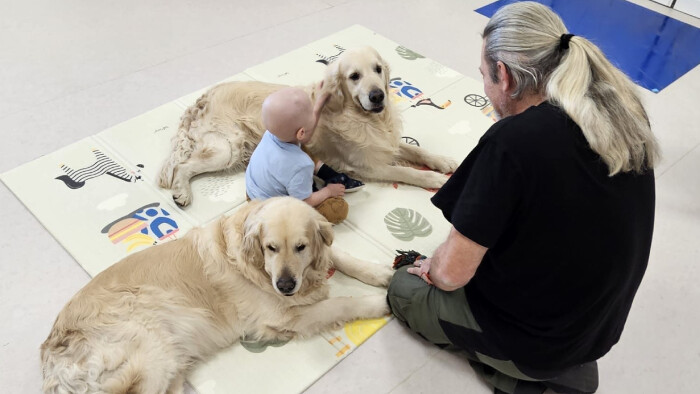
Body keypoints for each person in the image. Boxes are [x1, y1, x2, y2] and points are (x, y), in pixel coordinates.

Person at [387, 2, 660, 394]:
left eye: (484, 75)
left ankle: (523, 375)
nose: (484, 87)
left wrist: (431, 267)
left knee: (403, 288)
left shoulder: (513, 142)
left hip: (537, 341)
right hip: (597, 328)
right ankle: (556, 363)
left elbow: (450, 276)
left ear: (504, 75)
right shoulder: (620, 108)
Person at [245, 87, 361, 224]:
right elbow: (304, 201)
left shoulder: (271, 134)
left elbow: (303, 139)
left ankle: (322, 170)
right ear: (300, 133)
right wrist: (328, 192)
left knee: (303, 147)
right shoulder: (300, 165)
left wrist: (320, 102)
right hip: (271, 211)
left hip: (253, 190)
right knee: (337, 210)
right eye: (311, 112)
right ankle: (325, 180)